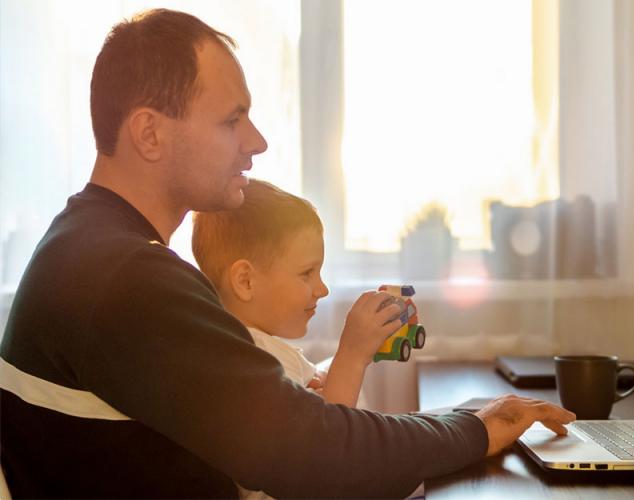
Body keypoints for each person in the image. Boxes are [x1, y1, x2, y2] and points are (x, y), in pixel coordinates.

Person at [0, 8, 575, 498]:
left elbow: (299, 430)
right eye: (232, 120)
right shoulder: (127, 277)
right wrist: (472, 430)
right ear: (149, 134)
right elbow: (313, 452)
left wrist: (455, 426)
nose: (257, 141)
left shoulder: (83, 243)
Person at [192, 179, 378, 409]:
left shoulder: (226, 344)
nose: (323, 289)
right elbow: (325, 436)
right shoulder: (261, 361)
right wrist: (352, 356)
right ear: (246, 281)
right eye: (307, 273)